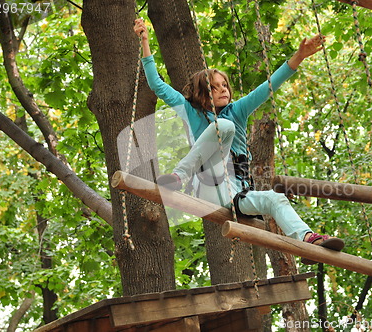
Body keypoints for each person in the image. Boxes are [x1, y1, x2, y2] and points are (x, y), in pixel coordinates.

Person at [133, 18, 344, 264]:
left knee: (275, 198)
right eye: (214, 87)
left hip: (237, 195)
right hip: (208, 187)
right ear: (202, 93)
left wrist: (299, 56)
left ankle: (307, 239)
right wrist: (145, 41)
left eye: (225, 85)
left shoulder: (238, 110)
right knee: (224, 126)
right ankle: (179, 177)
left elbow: (268, 87)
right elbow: (157, 85)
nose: (223, 90)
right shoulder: (191, 113)